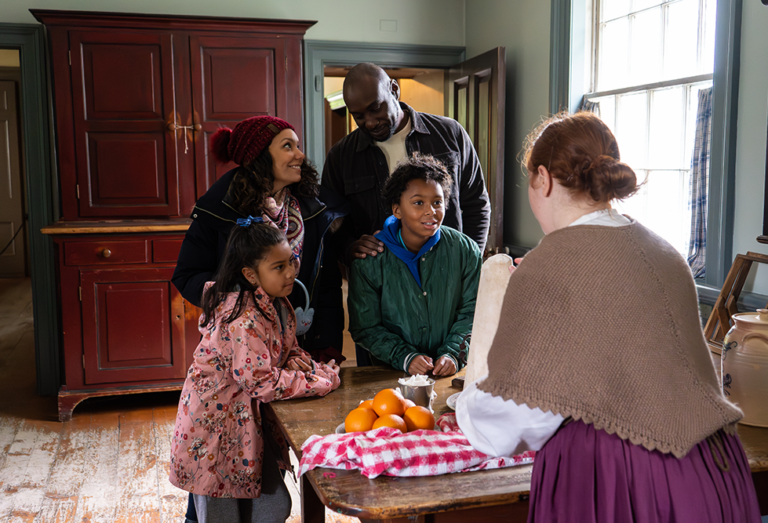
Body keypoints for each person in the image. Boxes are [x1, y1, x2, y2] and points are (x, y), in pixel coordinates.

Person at [456, 112, 761, 522]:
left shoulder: (549, 264)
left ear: (542, 179)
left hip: (618, 482)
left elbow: (508, 424)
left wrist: (466, 405)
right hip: (713, 473)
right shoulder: (665, 252)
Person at [170, 222, 341, 523]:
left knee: (272, 509)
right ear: (250, 274)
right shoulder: (243, 318)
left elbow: (282, 349)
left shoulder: (273, 302)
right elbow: (260, 381)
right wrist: (318, 381)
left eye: (291, 261)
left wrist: (302, 362)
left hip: (244, 426)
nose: (290, 272)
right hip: (215, 434)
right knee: (220, 518)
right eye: (279, 266)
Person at [172, 115, 350, 365]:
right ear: (258, 156)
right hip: (243, 348)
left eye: (297, 146)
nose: (300, 155)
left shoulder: (315, 211)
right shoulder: (220, 211)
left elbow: (328, 286)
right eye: (288, 146)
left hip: (305, 347)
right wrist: (243, 297)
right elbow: (188, 276)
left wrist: (326, 347)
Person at [348, 154, 482, 376]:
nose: (431, 211)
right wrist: (404, 357)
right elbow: (366, 327)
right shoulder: (370, 259)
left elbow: (472, 311)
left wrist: (453, 354)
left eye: (437, 202)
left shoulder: (465, 250)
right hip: (390, 373)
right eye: (419, 203)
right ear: (397, 209)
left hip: (449, 373)